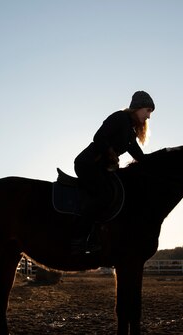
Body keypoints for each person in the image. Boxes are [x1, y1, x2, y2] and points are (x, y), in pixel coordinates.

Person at [72, 91, 155, 253]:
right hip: (87, 164)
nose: (149, 117)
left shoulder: (131, 134)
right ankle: (78, 239)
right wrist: (111, 154)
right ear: (137, 108)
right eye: (147, 111)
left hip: (100, 169)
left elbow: (140, 157)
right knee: (104, 194)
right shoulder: (119, 118)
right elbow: (99, 137)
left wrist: (160, 162)